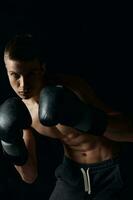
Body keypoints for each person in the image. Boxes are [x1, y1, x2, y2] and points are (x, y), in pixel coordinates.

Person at [1, 33, 133, 200]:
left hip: (111, 171)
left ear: (42, 68)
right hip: (72, 177)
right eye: (15, 75)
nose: (23, 85)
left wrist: (83, 116)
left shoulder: (70, 88)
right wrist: (9, 143)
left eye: (31, 74)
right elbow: (29, 176)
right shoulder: (20, 111)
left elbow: (130, 132)